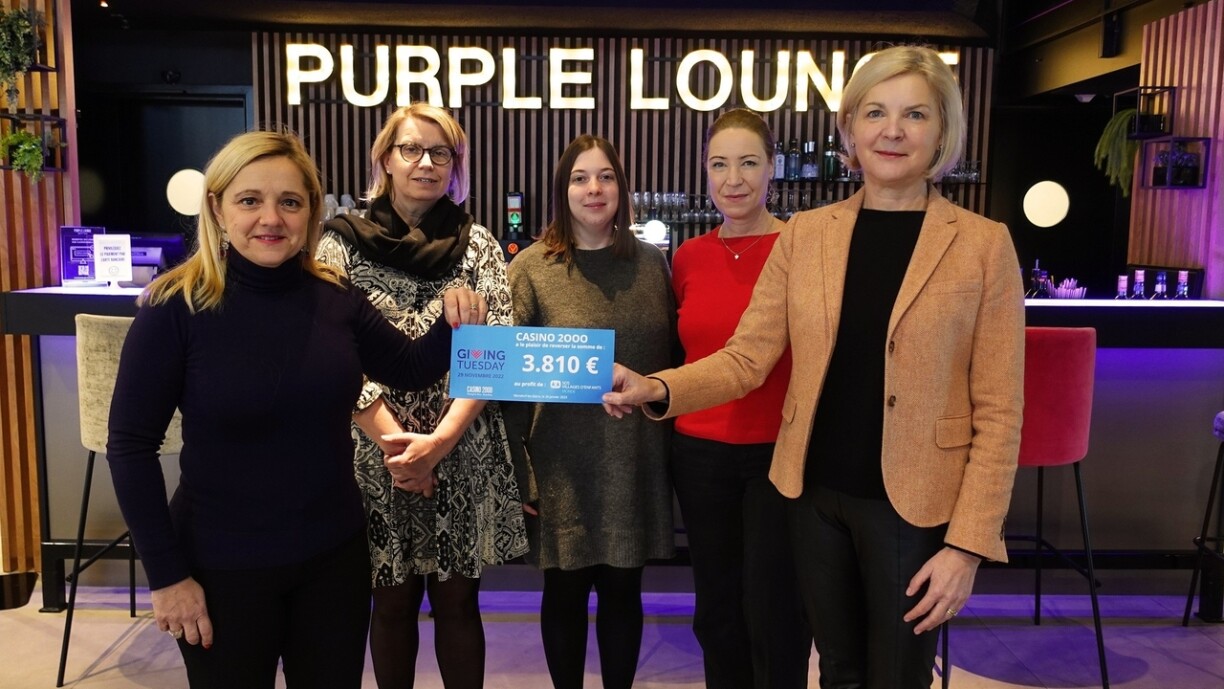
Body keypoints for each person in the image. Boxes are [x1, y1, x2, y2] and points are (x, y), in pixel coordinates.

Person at [603, 45, 1025, 689]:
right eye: (875, 112)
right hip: (812, 497)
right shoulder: (809, 234)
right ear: (849, 130)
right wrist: (657, 387)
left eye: (914, 114)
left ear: (943, 131)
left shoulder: (983, 244)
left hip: (913, 505)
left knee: (898, 676)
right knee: (837, 673)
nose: (892, 130)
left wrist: (967, 544)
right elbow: (747, 357)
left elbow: (999, 411)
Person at [106, 130, 488, 689]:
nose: (271, 218)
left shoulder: (336, 298)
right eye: (249, 200)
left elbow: (407, 367)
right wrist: (166, 575)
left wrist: (455, 322)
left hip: (332, 561)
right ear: (217, 207)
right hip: (221, 566)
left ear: (312, 211)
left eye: (290, 201)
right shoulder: (175, 310)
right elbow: (130, 448)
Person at [317, 103, 528, 689]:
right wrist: (396, 445)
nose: (426, 163)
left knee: (460, 605)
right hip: (371, 453)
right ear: (384, 158)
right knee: (389, 604)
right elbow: (330, 349)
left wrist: (437, 444)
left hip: (460, 448)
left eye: (441, 153)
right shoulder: (339, 245)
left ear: (454, 166)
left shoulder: (478, 244)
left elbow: (497, 352)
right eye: (411, 149)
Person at [504, 135, 676, 689]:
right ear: (563, 190)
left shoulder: (653, 265)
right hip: (559, 464)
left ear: (622, 189)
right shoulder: (531, 268)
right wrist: (520, 473)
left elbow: (671, 365)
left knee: (625, 591)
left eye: (606, 177)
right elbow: (507, 386)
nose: (594, 189)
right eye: (581, 178)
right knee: (565, 592)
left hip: (633, 457)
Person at [669, 108, 811, 689]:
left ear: (772, 169)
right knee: (717, 608)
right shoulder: (685, 257)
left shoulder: (801, 247)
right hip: (698, 455)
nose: (734, 179)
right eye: (719, 164)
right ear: (705, 172)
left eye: (748, 163)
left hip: (777, 453)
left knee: (774, 608)